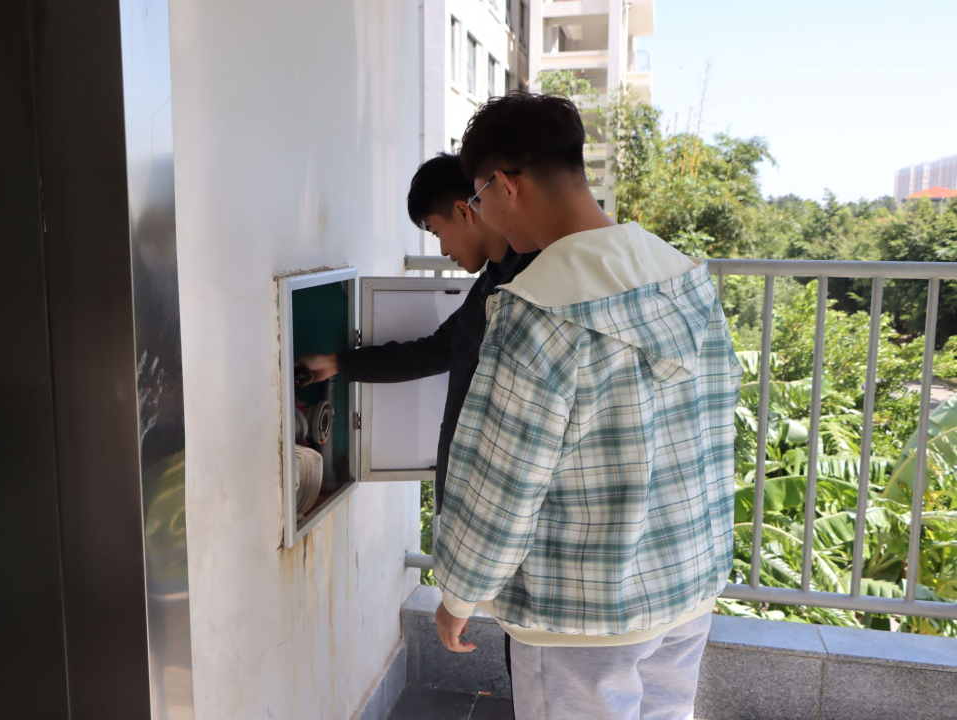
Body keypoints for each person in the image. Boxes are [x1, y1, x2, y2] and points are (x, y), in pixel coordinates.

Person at [432, 92, 742, 720]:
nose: (483, 214)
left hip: (578, 613)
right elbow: (713, 427)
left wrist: (459, 595)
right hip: (685, 586)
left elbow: (503, 481)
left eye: (479, 198)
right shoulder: (683, 277)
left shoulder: (537, 309)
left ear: (506, 185)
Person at [295, 152, 537, 682]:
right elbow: (438, 349)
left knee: (540, 682)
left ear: (465, 210)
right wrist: (339, 364)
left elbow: (522, 458)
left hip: (529, 549)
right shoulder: (495, 281)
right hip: (509, 550)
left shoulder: (529, 289)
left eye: (436, 231)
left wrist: (461, 594)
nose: (443, 250)